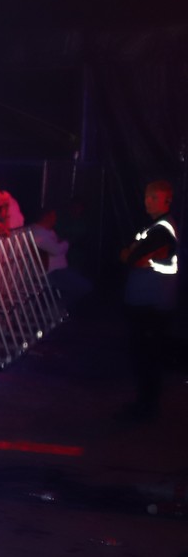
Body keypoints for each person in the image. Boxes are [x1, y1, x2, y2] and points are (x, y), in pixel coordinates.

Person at [118, 180, 177, 421]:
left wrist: (132, 254)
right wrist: (131, 254)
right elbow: (127, 253)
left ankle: (146, 408)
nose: (147, 201)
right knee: (143, 356)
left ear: (167, 200)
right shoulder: (152, 227)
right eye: (147, 196)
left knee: (146, 357)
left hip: (152, 304)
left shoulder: (162, 229)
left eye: (154, 197)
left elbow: (132, 257)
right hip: (146, 302)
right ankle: (144, 405)